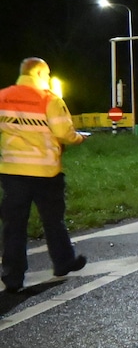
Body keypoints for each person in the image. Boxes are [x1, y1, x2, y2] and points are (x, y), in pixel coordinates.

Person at [0, 57, 88, 293]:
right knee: (52, 220)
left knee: (13, 224)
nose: (48, 79)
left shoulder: (3, 96)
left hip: (12, 171)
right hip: (45, 172)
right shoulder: (49, 99)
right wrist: (79, 138)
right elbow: (64, 132)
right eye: (47, 74)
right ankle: (63, 262)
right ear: (38, 73)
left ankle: (12, 276)